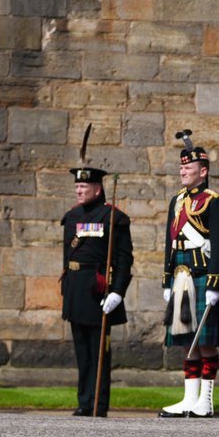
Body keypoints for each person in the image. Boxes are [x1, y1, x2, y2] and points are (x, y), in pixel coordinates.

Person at [159, 133, 219, 418]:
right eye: (181, 167)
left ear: (203, 172)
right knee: (184, 340)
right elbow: (170, 243)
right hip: (181, 277)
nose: (183, 171)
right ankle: (189, 399)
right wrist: (167, 280)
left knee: (205, 341)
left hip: (204, 277)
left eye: (188, 168)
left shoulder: (214, 202)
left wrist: (215, 283)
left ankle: (206, 401)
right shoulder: (176, 201)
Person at [61, 166, 133, 417]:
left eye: (84, 187)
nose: (79, 190)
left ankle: (98, 404)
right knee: (82, 351)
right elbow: (66, 257)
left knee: (98, 349)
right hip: (75, 289)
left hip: (98, 290)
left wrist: (118, 291)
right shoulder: (72, 216)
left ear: (98, 188)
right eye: (77, 187)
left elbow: (124, 259)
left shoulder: (112, 217)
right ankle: (84, 401)